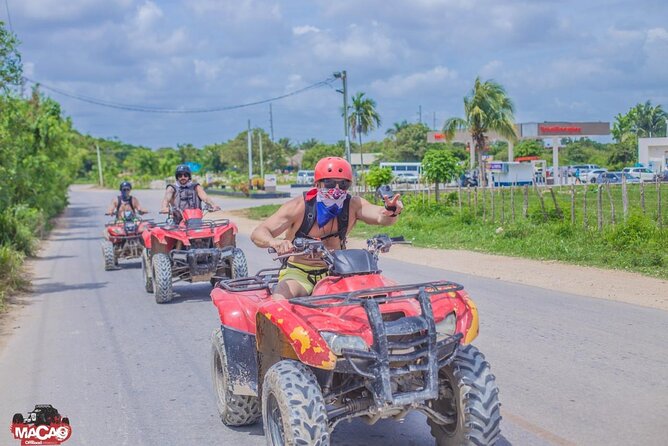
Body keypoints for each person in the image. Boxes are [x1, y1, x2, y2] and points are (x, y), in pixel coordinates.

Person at [251, 156, 403, 300]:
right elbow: (259, 233)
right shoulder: (298, 207)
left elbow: (379, 216)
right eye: (330, 183)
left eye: (343, 184)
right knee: (279, 300)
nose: (336, 189)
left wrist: (391, 211)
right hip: (300, 273)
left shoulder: (352, 205)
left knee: (375, 298)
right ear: (317, 184)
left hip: (338, 273)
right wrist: (275, 242)